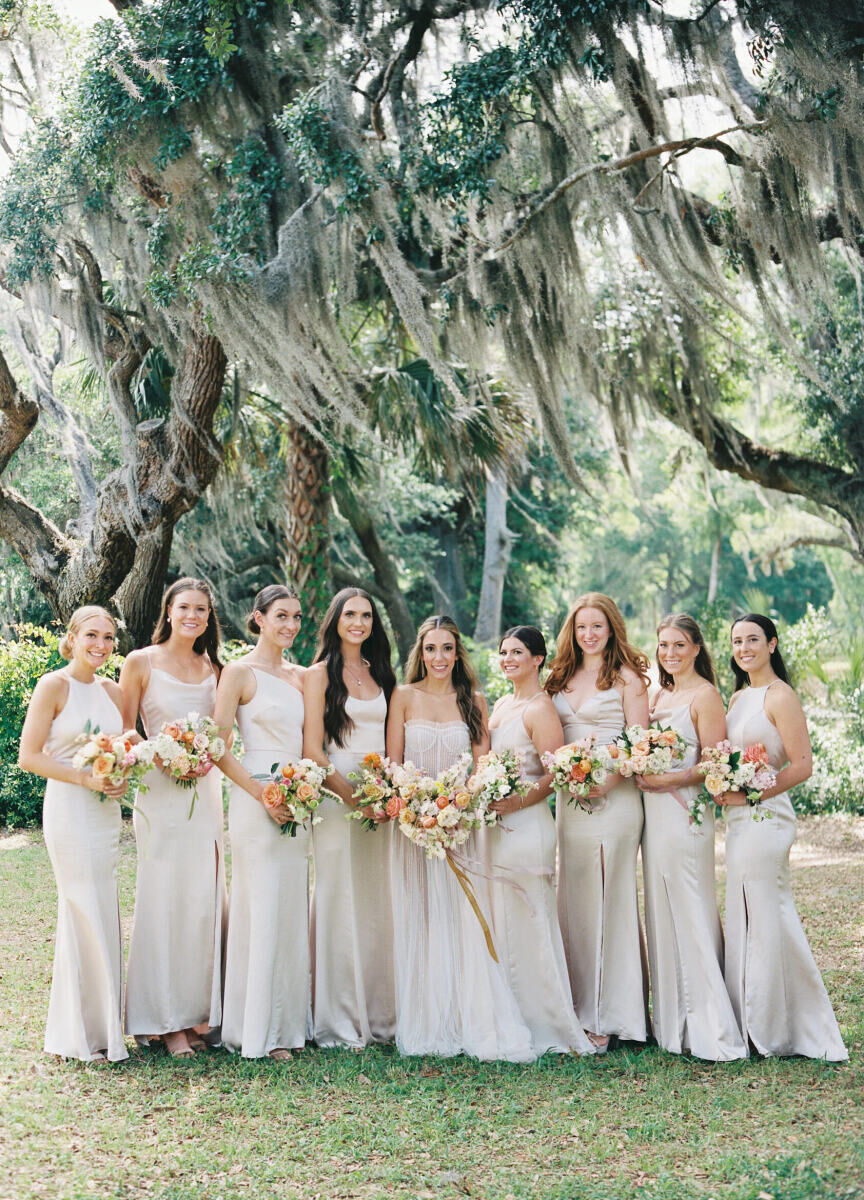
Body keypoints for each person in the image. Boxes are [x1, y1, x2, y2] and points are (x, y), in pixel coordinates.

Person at [386, 615, 533, 1060]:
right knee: (420, 915)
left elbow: (482, 764)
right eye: (431, 649)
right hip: (412, 826)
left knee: (459, 917)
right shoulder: (403, 696)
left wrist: (456, 807)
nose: (439, 658)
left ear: (458, 653)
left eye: (447, 649)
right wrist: (417, 805)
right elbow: (392, 762)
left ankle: (465, 1013)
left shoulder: (474, 701)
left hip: (459, 824)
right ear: (420, 653)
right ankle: (426, 1017)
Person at [723, 614, 847, 1061]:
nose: (744, 648)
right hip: (738, 823)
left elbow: (801, 765)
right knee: (744, 913)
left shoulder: (781, 696)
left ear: (772, 644)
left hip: (768, 818)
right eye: (737, 641)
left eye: (753, 639)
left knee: (769, 910)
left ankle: (781, 1026)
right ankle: (748, 1017)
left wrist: (752, 793)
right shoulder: (737, 698)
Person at [120, 577, 226, 1058]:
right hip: (159, 790)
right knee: (163, 896)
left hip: (204, 790)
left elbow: (221, 734)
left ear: (209, 617)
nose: (193, 616)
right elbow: (124, 729)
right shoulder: (139, 662)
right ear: (168, 611)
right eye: (185, 607)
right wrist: (157, 752)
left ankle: (197, 1014)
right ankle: (163, 1022)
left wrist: (200, 756)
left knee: (202, 899)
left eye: (201, 610)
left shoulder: (215, 668)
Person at [19, 607, 130, 1063]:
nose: (100, 645)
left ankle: (106, 1028)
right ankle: (78, 1034)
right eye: (91, 635)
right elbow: (29, 756)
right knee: (80, 905)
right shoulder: (53, 685)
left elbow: (126, 740)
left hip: (105, 811)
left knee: (103, 905)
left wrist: (126, 768)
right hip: (69, 807)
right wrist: (85, 780)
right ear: (71, 637)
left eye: (107, 638)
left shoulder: (112, 689)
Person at [639, 614, 747, 1060]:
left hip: (686, 814)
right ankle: (673, 1025)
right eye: (664, 645)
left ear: (697, 648)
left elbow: (712, 762)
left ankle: (710, 1022)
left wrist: (671, 781)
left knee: (690, 903)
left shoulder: (706, 696)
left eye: (679, 645)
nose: (670, 654)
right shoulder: (658, 693)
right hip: (653, 817)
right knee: (661, 908)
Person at [545, 593, 649, 1049]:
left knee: (612, 896)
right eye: (582, 627)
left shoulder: (628, 679)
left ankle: (610, 1015)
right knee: (577, 897)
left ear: (612, 630)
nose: (589, 634)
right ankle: (576, 1004)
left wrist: (607, 780)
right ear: (572, 631)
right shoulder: (558, 678)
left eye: (598, 627)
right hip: (571, 800)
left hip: (616, 797)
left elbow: (640, 742)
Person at [486, 626, 595, 1057]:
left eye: (518, 652)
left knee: (530, 916)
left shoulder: (540, 707)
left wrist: (518, 801)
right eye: (503, 652)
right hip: (497, 825)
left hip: (527, 823)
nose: (509, 658)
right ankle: (509, 1011)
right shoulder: (500, 706)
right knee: (504, 917)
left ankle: (546, 1019)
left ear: (538, 659)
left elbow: (554, 773)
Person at [213, 585, 310, 1060]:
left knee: (290, 905)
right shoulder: (238, 672)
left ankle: (288, 1023)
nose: (290, 625)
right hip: (255, 795)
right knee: (262, 901)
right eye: (280, 616)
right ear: (258, 619)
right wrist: (262, 792)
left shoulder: (302, 677)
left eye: (296, 617)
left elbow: (310, 745)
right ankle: (257, 1030)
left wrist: (304, 789)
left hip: (297, 796)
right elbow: (217, 746)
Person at [303, 587, 396, 1046]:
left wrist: (387, 795)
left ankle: (379, 1012)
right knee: (339, 895)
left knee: (377, 900)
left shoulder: (381, 673)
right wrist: (352, 798)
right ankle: (338, 1015)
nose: (358, 623)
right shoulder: (319, 675)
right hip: (337, 797)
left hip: (381, 800)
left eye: (366, 615)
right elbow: (312, 750)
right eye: (350, 614)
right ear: (335, 619)